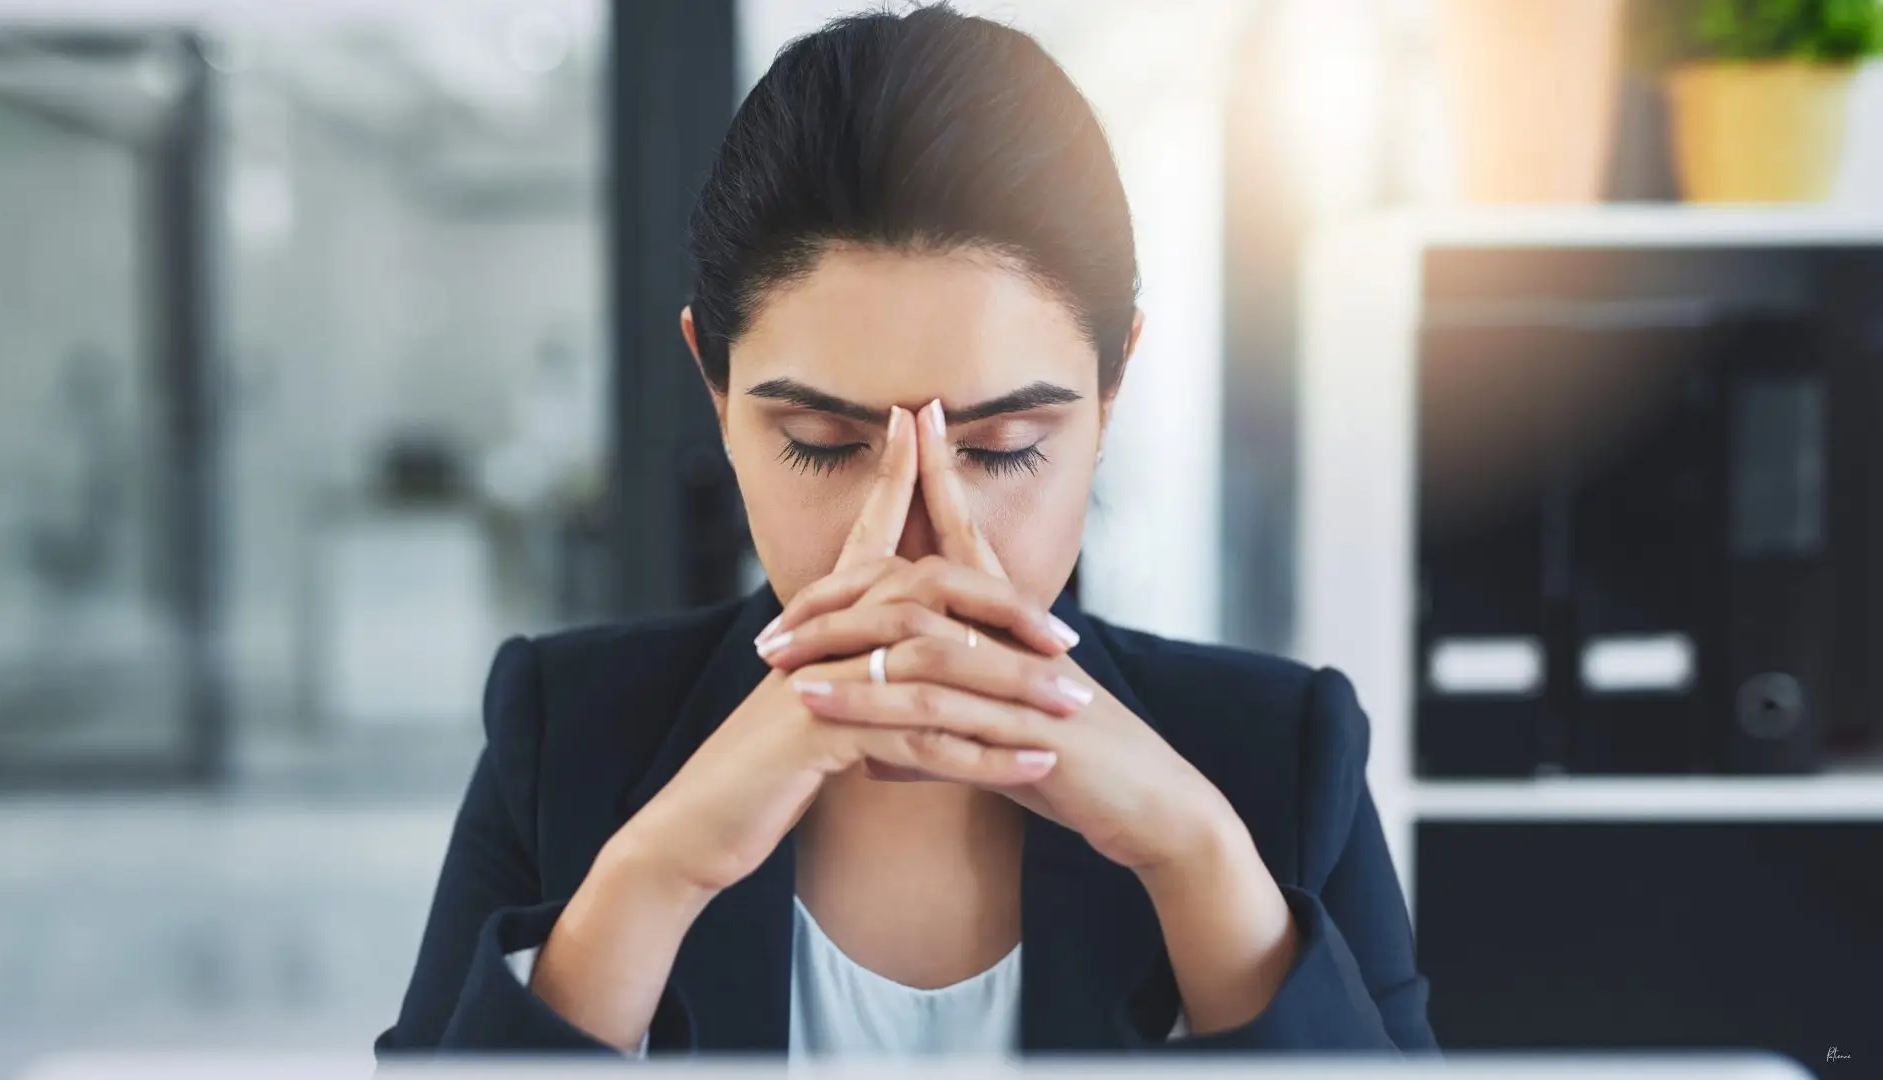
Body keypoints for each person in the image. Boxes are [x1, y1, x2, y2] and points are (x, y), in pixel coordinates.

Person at [376, 3, 1436, 1060]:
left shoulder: (1278, 760)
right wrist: (654, 877)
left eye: (1007, 445)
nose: (913, 545)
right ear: (717, 391)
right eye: (823, 444)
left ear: (1110, 397)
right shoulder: (564, 737)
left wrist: (1201, 864)